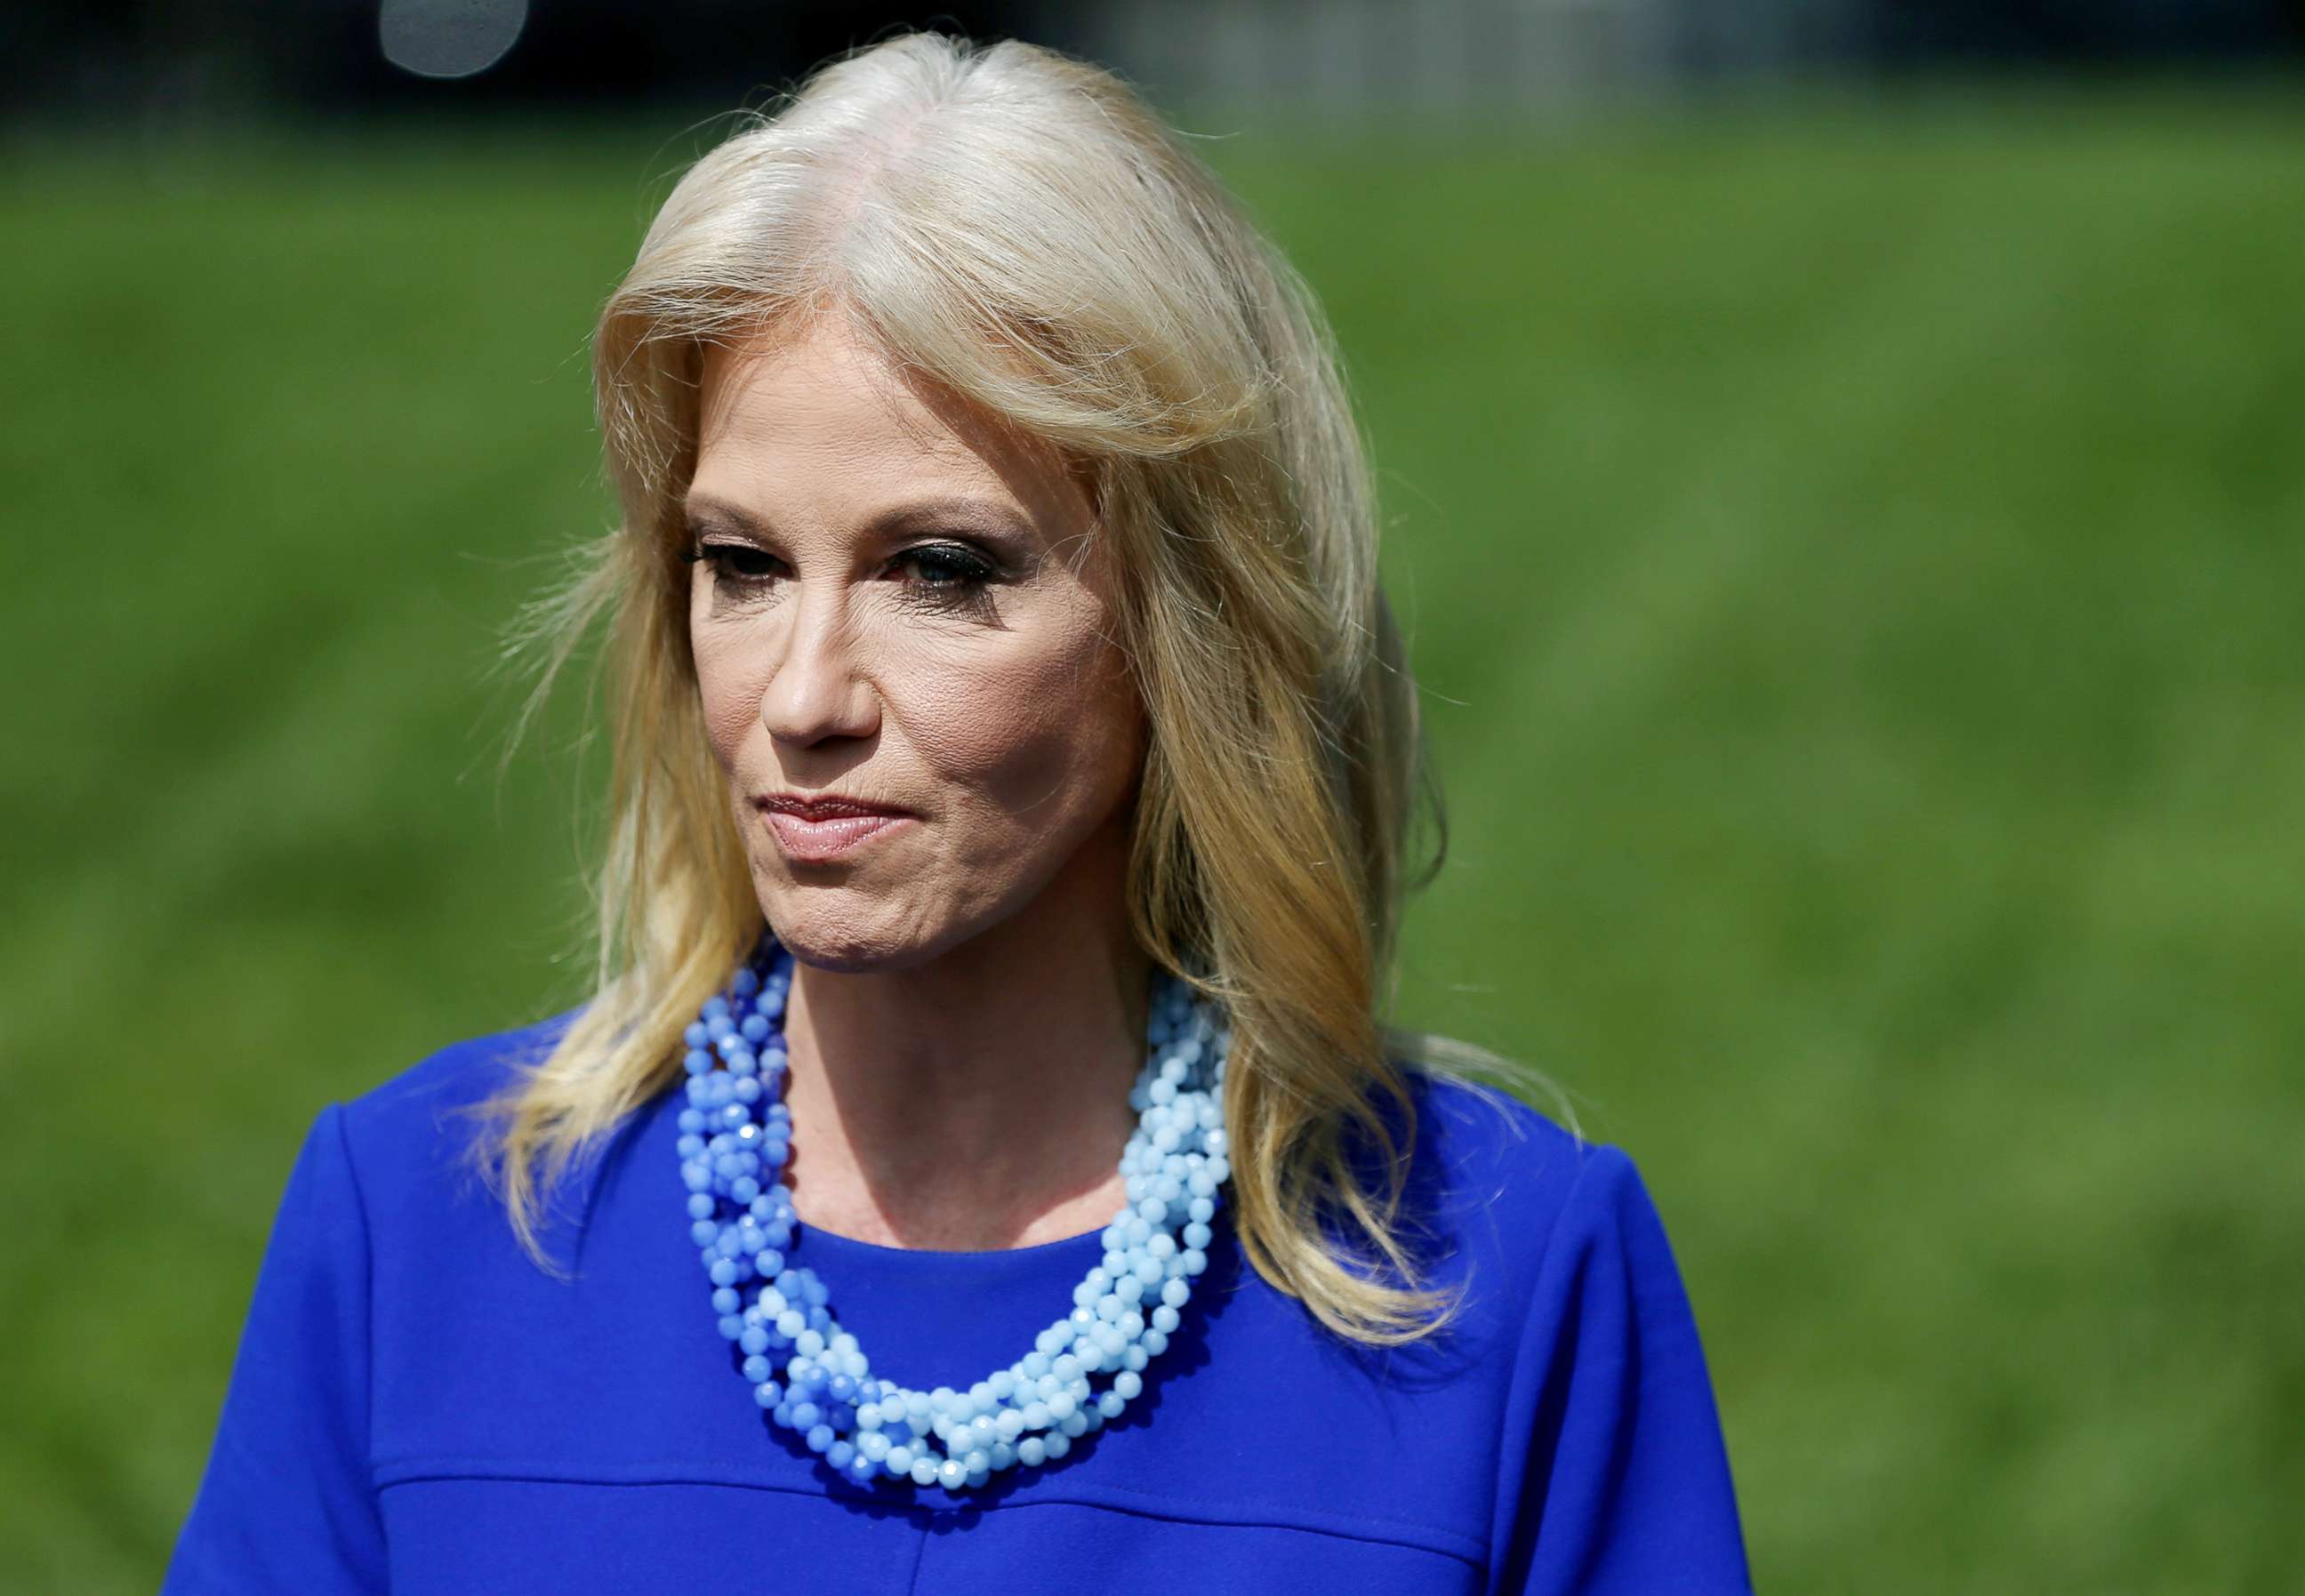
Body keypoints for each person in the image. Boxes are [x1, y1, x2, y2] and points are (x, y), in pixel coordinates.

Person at [160, 30, 1750, 1595]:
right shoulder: (421, 1238)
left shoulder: (1496, 1278)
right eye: (743, 565)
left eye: (940, 570)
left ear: (1186, 625)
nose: (802, 697)